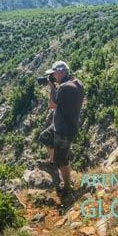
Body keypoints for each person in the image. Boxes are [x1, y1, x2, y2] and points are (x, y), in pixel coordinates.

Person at [38, 61, 85, 189]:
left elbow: (52, 105)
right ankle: (52, 160)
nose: (52, 76)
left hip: (64, 129)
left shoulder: (64, 87)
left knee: (63, 162)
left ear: (61, 72)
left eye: (54, 74)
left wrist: (52, 88)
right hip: (64, 124)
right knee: (44, 137)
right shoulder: (77, 82)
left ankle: (67, 186)